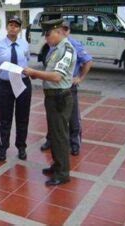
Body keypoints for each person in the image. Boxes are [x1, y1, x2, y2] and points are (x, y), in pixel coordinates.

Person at [23, 18, 77, 186]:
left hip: (60, 97)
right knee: (54, 133)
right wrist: (36, 73)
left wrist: (35, 73)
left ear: (59, 32)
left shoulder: (66, 49)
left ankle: (62, 173)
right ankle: (57, 165)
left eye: (48, 34)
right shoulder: (55, 49)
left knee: (60, 136)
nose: (46, 38)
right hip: (53, 97)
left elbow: (56, 76)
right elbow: (50, 72)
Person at [40, 21, 93, 156]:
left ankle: (74, 144)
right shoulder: (54, 45)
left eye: (66, 29)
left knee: (73, 117)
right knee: (54, 119)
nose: (64, 31)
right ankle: (51, 140)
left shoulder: (72, 46)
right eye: (61, 28)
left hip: (68, 87)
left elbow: (88, 61)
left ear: (67, 30)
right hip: (54, 89)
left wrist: (80, 78)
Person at [0, 15, 32, 161]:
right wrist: (4, 74)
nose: (13, 27)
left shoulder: (25, 45)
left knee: (22, 117)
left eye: (17, 25)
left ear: (20, 29)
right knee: (5, 118)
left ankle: (21, 147)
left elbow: (27, 62)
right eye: (11, 24)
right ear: (7, 27)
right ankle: (3, 148)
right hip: (6, 86)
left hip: (23, 84)